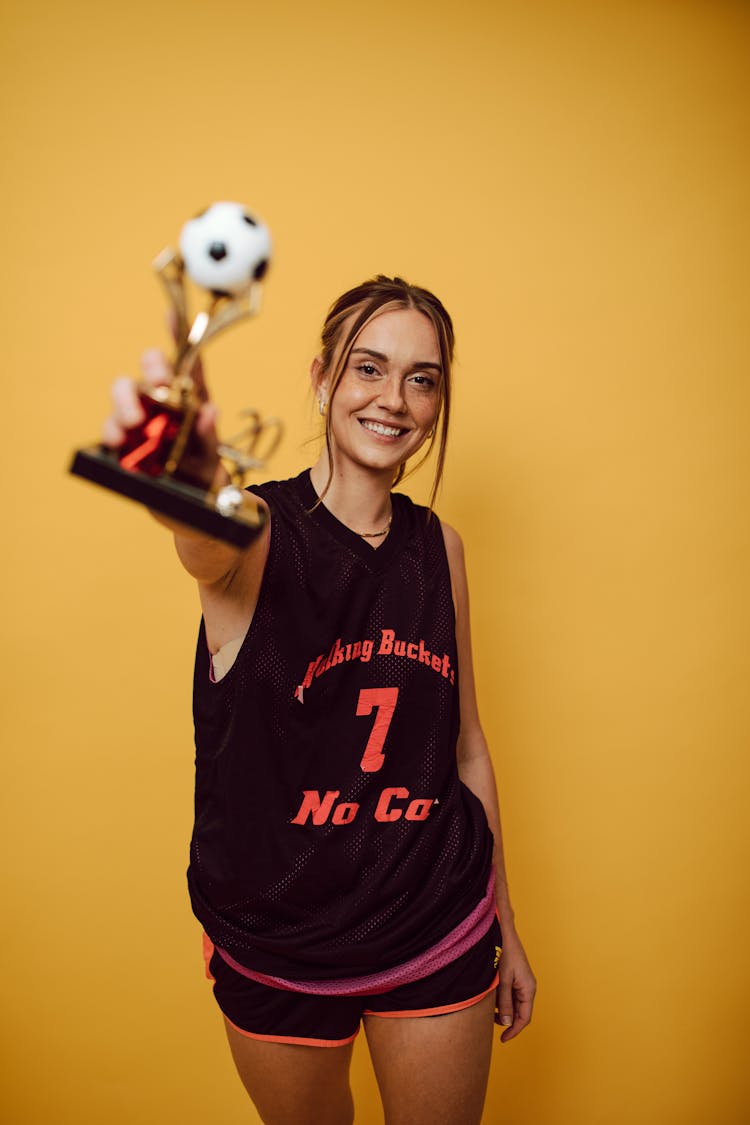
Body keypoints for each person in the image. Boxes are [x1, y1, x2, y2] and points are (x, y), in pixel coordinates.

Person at [104, 276, 536, 1125]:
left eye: (423, 377)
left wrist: (506, 922)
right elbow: (206, 545)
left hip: (436, 916)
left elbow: (467, 747)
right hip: (278, 935)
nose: (395, 398)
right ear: (322, 378)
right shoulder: (261, 531)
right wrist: (186, 490)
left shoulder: (439, 548)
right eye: (368, 368)